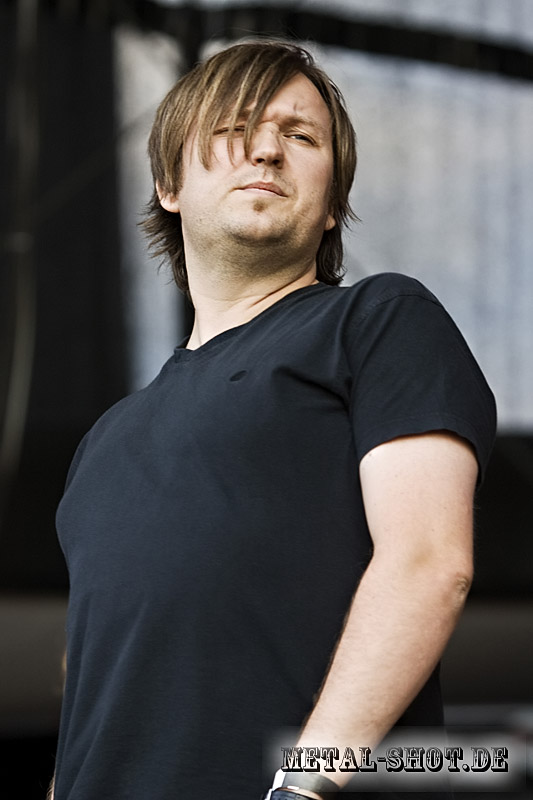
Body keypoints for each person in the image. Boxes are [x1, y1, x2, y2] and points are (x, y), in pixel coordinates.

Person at [51, 41, 496, 800]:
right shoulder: (103, 441)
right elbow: (89, 680)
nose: (266, 149)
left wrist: (303, 786)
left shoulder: (378, 320)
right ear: (168, 185)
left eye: (300, 134)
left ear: (332, 205)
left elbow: (428, 563)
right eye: (234, 128)